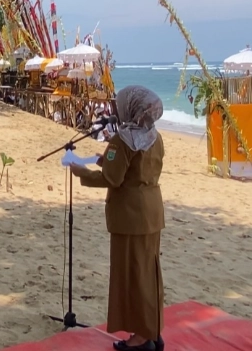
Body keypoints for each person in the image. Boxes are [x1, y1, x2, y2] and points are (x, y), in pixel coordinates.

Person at [69, 86, 165, 351]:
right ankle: (153, 330)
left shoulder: (123, 139)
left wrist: (81, 172)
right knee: (149, 273)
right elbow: (135, 169)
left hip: (130, 216)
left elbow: (113, 178)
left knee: (132, 276)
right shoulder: (155, 137)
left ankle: (141, 338)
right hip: (152, 212)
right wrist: (105, 161)